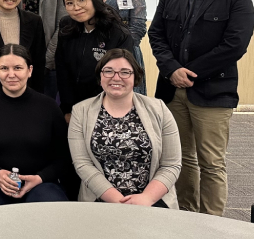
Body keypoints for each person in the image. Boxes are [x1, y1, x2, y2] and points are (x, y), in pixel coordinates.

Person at [148, 0, 254, 216]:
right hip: (172, 90)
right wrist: (172, 69)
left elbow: (235, 45)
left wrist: (190, 73)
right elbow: (156, 34)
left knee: (211, 162)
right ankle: (186, 211)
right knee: (180, 158)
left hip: (213, 91)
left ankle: (212, 222)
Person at [69, 49, 181, 208]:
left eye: (125, 72)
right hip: (101, 200)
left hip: (152, 201)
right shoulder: (80, 111)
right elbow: (82, 164)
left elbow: (171, 165)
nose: (116, 77)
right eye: (108, 71)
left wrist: (146, 198)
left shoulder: (159, 109)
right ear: (100, 75)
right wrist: (118, 201)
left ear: (135, 77)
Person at [0, 44, 69, 209]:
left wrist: (40, 178)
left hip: (41, 184)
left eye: (18, 68)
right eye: (4, 68)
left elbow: (64, 156)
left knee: (51, 217)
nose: (11, 74)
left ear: (30, 70)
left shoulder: (49, 108)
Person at [56, 0, 134, 121]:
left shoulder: (118, 33)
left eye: (82, 0)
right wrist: (68, 108)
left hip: (105, 109)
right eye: (69, 3)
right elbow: (62, 69)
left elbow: (119, 78)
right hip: (72, 106)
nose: (76, 7)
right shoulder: (66, 26)